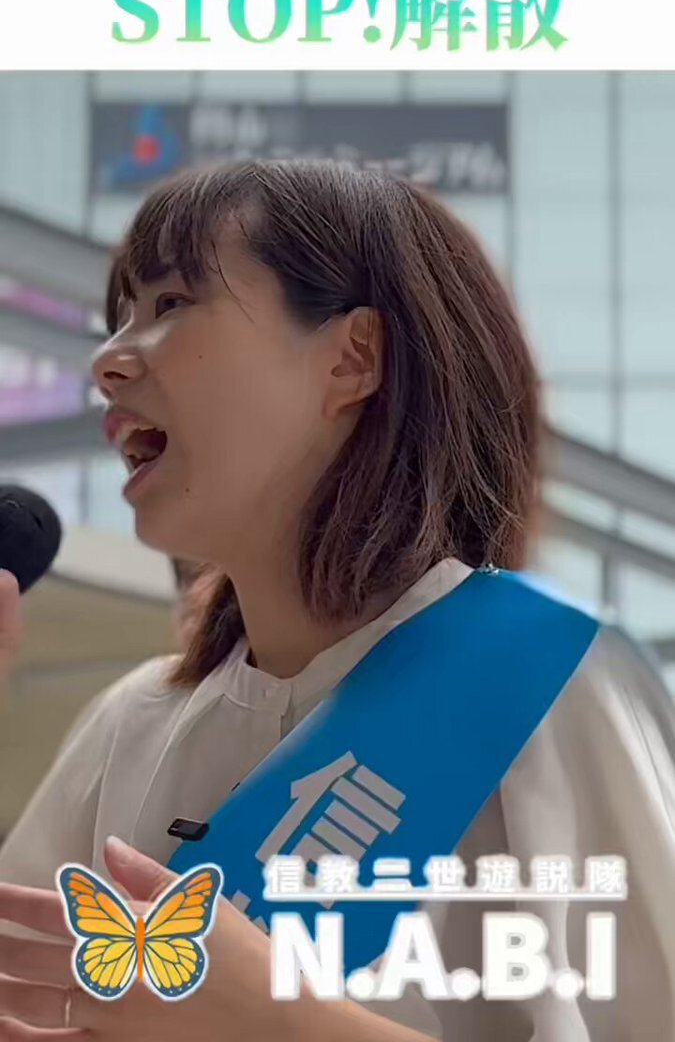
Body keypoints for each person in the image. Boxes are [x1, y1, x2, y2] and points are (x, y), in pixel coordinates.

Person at [0, 159, 674, 1042]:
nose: (108, 361)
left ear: (352, 357)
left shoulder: (549, 681)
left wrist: (283, 1019)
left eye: (170, 304)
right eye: (119, 319)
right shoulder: (128, 724)